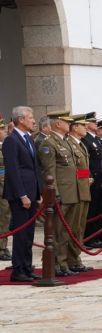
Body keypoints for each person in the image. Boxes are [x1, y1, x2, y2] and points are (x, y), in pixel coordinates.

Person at [38, 110, 81, 277]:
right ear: (57, 124)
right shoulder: (49, 143)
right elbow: (49, 171)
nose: (69, 124)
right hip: (61, 192)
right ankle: (55, 264)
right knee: (56, 231)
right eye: (66, 121)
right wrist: (53, 193)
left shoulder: (66, 142)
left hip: (72, 191)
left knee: (66, 231)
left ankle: (63, 263)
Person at [3, 106, 41, 282]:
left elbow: (34, 168)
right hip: (20, 194)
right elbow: (13, 170)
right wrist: (22, 195)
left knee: (30, 233)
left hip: (32, 192)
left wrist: (38, 192)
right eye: (30, 117)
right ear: (20, 120)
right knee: (21, 233)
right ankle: (18, 269)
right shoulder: (12, 140)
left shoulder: (28, 138)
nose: (33, 120)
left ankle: (27, 266)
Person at [65, 114, 93, 273]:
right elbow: (70, 170)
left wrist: (86, 177)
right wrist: (84, 177)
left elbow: (82, 169)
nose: (86, 127)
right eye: (83, 125)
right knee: (71, 227)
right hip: (75, 190)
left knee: (79, 228)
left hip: (83, 189)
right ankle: (68, 260)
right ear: (75, 127)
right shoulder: (69, 143)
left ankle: (75, 258)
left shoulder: (80, 144)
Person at [82, 116, 102, 248]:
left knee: (99, 209)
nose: (96, 123)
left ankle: (97, 236)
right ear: (86, 124)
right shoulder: (86, 139)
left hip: (100, 179)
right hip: (93, 179)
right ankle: (89, 237)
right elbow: (87, 161)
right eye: (93, 121)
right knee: (92, 210)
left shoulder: (96, 139)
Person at [0, 120, 10, 261]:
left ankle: (2, 247)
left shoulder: (5, 146)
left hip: (4, 190)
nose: (5, 131)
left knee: (4, 218)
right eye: (2, 129)